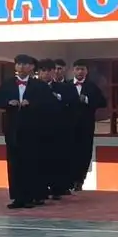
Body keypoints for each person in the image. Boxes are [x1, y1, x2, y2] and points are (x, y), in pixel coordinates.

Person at [0, 55, 46, 209]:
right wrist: (8, 102)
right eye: (19, 64)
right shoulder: (8, 84)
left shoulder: (38, 85)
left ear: (31, 67)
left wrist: (32, 103)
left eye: (25, 64)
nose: (21, 67)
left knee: (31, 163)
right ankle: (17, 197)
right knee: (14, 164)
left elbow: (48, 102)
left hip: (32, 129)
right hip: (12, 129)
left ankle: (31, 196)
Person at [36, 58, 74, 199]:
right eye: (42, 71)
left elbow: (72, 104)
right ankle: (40, 189)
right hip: (37, 130)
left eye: (49, 70)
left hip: (58, 130)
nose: (46, 74)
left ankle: (58, 188)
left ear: (54, 72)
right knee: (39, 160)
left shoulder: (64, 88)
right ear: (38, 72)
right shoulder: (32, 88)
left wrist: (56, 97)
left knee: (57, 159)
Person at [69, 59, 106, 191]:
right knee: (68, 152)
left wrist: (87, 100)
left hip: (86, 126)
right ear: (73, 70)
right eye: (77, 69)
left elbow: (103, 102)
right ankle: (69, 180)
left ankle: (80, 180)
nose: (80, 72)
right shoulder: (67, 86)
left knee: (84, 152)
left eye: (82, 69)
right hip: (68, 126)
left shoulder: (92, 87)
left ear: (86, 71)